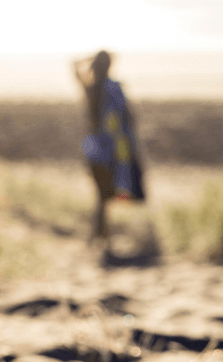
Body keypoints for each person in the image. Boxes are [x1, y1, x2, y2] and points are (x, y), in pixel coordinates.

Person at [74, 50, 145, 242]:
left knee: (101, 193)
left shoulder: (92, 88)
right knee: (113, 190)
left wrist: (88, 59)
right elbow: (127, 118)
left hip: (93, 146)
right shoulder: (113, 89)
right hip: (112, 146)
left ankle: (99, 234)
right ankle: (103, 234)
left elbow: (73, 67)